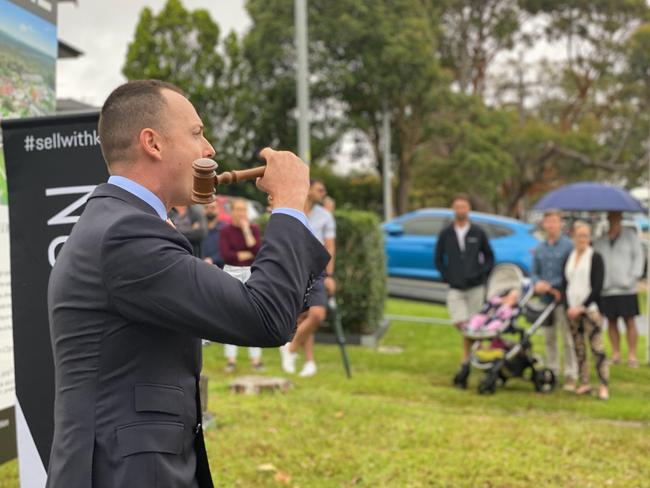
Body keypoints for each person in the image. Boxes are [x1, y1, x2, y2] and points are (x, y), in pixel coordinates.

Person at [46, 79, 330, 488]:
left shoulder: (122, 223)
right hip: (123, 473)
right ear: (153, 143)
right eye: (197, 133)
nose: (210, 148)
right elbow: (265, 318)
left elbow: (243, 300)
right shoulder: (126, 234)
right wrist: (288, 205)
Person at [434, 194, 494, 388]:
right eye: (457, 207)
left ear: (468, 209)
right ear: (453, 209)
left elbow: (490, 257)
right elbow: (438, 258)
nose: (461, 210)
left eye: (464, 207)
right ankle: (472, 356)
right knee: (461, 323)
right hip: (455, 287)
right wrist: (447, 276)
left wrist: (480, 275)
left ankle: (467, 361)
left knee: (475, 325)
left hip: (475, 287)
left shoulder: (478, 232)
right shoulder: (446, 233)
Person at [279, 180, 336, 377]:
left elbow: (330, 247)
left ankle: (290, 349)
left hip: (317, 270)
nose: (323, 193)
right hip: (294, 270)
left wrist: (330, 275)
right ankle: (309, 362)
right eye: (320, 189)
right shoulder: (291, 211)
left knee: (317, 314)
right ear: (308, 189)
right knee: (302, 316)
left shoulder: (325, 216)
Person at [561, 221, 608, 400]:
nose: (581, 239)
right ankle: (585, 382)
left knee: (597, 348)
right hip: (572, 310)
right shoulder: (569, 257)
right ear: (573, 237)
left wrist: (582, 306)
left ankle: (603, 384)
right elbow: (565, 284)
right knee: (579, 348)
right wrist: (568, 307)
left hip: (590, 309)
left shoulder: (595, 257)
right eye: (578, 235)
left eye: (585, 236)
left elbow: (597, 286)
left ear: (589, 238)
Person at [531, 210, 578, 391]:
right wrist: (538, 284)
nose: (551, 225)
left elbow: (570, 273)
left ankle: (571, 374)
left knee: (567, 338)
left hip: (562, 299)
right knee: (549, 337)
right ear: (544, 225)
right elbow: (534, 271)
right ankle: (552, 371)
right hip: (544, 300)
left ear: (560, 224)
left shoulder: (568, 246)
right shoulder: (540, 248)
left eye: (554, 222)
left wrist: (552, 286)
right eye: (548, 222)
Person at [594, 211, 644, 368]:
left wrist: (632, 277)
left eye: (617, 218)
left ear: (621, 219)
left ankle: (632, 355)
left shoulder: (630, 237)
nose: (614, 221)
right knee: (611, 321)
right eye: (612, 218)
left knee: (629, 321)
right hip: (607, 288)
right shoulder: (601, 240)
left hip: (626, 288)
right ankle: (616, 353)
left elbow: (639, 257)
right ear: (608, 219)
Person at [219, 198, 264, 371]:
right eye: (237, 210)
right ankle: (231, 359)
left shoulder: (253, 229)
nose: (240, 213)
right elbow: (226, 255)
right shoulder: (225, 230)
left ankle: (256, 360)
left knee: (255, 314)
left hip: (252, 272)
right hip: (231, 271)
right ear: (232, 212)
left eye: (243, 210)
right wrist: (245, 253)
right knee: (231, 315)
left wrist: (246, 232)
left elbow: (257, 251)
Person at [201, 200, 227, 268]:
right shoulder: (198, 229)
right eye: (206, 207)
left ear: (218, 209)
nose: (209, 210)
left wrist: (212, 259)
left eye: (213, 207)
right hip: (199, 268)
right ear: (202, 210)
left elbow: (227, 250)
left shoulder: (225, 228)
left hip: (220, 269)